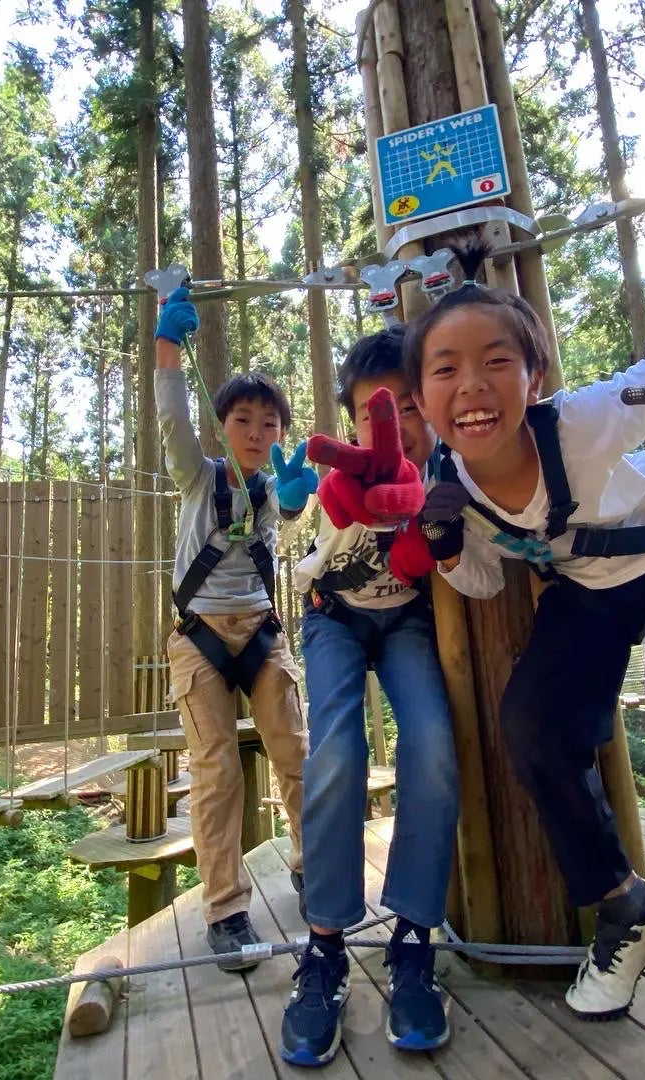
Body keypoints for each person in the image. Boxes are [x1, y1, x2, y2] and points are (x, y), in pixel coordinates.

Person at [404, 243, 645, 1080]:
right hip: (590, 585)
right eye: (445, 369)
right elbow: (479, 573)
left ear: (534, 377)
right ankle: (628, 909)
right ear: (423, 397)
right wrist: (439, 537)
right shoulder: (447, 478)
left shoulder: (577, 419)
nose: (471, 386)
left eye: (497, 362)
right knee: (531, 726)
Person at [278, 325, 458, 1066]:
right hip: (335, 622)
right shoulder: (339, 480)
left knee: (434, 748)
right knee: (337, 755)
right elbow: (296, 515)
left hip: (411, 620)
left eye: (409, 405)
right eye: (373, 411)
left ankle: (414, 941)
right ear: (353, 423)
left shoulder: (453, 470)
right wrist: (296, 494)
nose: (394, 425)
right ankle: (325, 949)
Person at [154, 286, 318, 970]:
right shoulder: (199, 476)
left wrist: (292, 500)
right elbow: (172, 421)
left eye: (269, 423)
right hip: (198, 638)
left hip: (261, 632)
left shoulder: (280, 483)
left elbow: (291, 510)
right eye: (243, 420)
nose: (256, 433)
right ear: (223, 428)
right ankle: (225, 910)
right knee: (217, 773)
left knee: (298, 755)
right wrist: (167, 346)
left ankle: (316, 871)